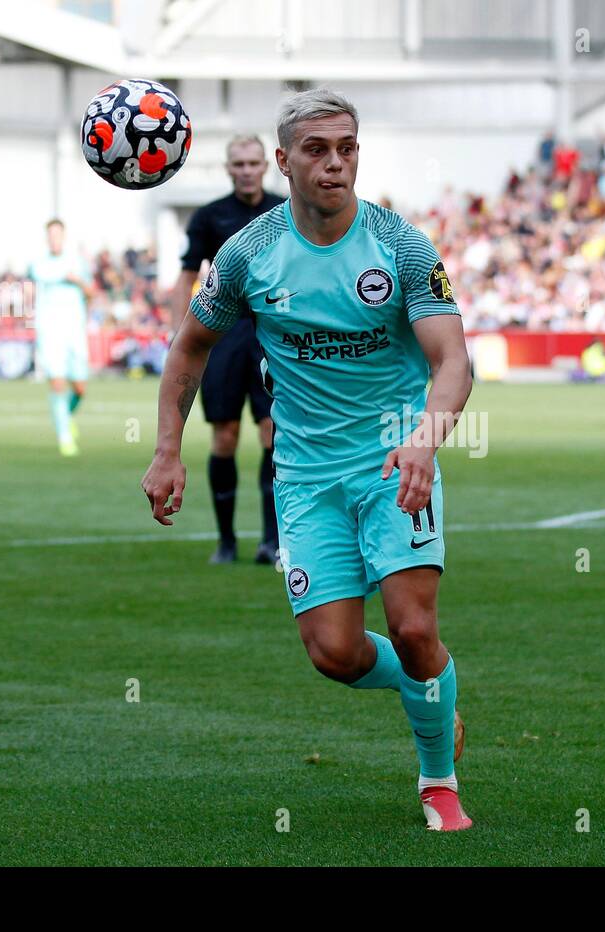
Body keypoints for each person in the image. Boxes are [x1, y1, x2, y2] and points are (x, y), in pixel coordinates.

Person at [141, 89, 475, 832]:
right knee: (334, 652)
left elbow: (453, 359)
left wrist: (424, 436)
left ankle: (438, 780)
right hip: (304, 476)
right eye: (318, 150)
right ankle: (432, 692)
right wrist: (168, 450)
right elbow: (189, 349)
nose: (335, 163)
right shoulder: (248, 253)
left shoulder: (402, 247)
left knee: (415, 627)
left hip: (395, 463)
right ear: (283, 160)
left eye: (347, 148)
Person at [171, 135, 285, 564]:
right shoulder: (209, 216)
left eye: (253, 162)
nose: (246, 170)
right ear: (228, 168)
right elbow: (186, 276)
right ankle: (226, 540)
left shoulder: (285, 210)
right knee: (225, 436)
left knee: (272, 432)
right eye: (238, 163)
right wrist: (177, 333)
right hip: (221, 337)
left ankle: (271, 541)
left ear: (266, 165)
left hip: (272, 335)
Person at [29, 219, 92, 456]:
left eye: (58, 235)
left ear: (64, 237)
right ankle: (65, 437)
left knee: (80, 388)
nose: (54, 239)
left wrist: (78, 282)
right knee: (57, 383)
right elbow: (40, 276)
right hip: (49, 330)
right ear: (47, 238)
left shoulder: (78, 262)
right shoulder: (38, 264)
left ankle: (65, 417)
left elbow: (90, 292)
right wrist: (67, 276)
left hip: (74, 329)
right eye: (51, 235)